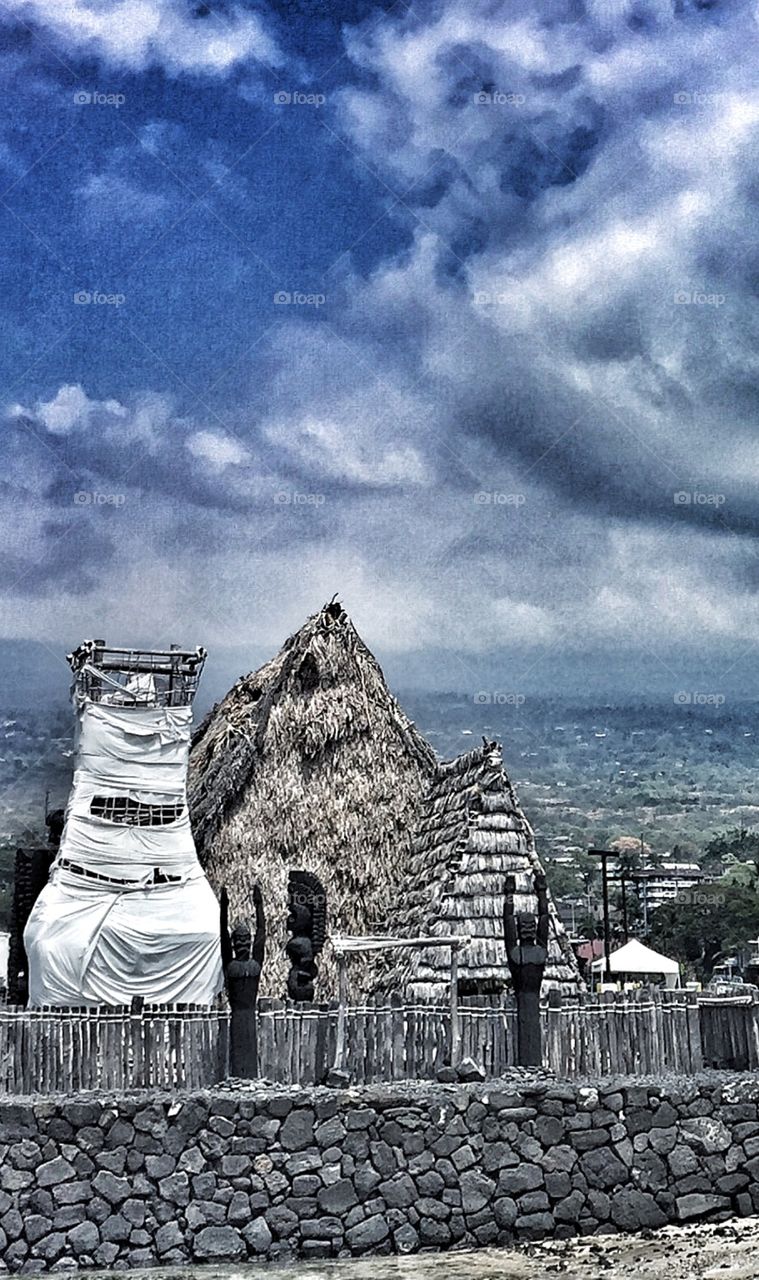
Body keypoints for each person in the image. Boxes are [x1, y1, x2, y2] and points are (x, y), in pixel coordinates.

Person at [503, 871, 550, 1066]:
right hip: (523, 998)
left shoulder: (536, 952)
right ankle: (528, 1065)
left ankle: (533, 1065)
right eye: (525, 926)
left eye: (532, 925)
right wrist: (509, 896)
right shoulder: (517, 953)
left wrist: (541, 892)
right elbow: (507, 922)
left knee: (532, 1033)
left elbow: (545, 918)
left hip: (531, 997)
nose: (529, 929)